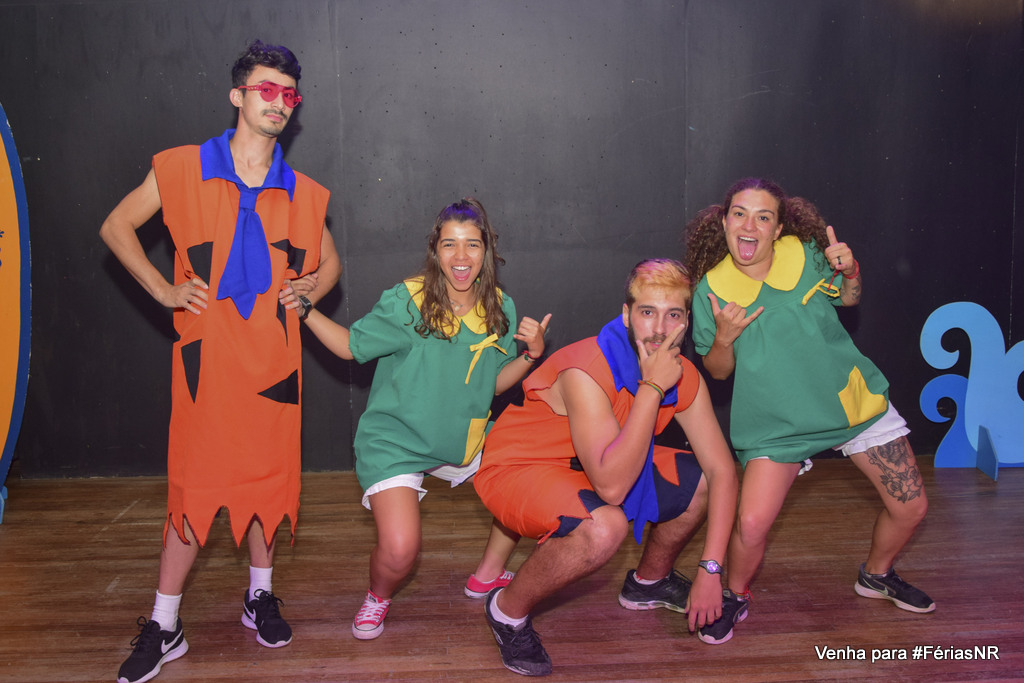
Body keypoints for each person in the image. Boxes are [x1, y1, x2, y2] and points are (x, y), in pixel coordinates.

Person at [100, 40, 340, 683]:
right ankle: (165, 621)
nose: (279, 103)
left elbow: (330, 261)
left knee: (267, 482)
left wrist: (307, 290)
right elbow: (117, 226)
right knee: (194, 486)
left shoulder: (304, 192)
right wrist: (163, 290)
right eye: (266, 90)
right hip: (206, 358)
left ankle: (260, 595)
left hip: (275, 359)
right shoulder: (182, 167)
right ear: (238, 95)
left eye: (289, 94)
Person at [684, 177, 933, 645]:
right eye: (740, 214)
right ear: (724, 221)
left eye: (763, 217)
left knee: (911, 507)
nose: (750, 225)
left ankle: (877, 574)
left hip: (848, 403)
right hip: (778, 423)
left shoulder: (807, 254)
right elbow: (717, 371)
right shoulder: (711, 290)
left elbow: (850, 299)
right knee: (751, 524)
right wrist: (724, 337)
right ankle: (736, 594)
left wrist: (851, 270)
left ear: (778, 228)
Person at [298, 197, 550, 641]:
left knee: (522, 486)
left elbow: (493, 385)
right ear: (435, 250)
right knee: (400, 551)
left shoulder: (500, 308)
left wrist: (531, 356)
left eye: (472, 244)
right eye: (449, 244)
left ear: (487, 251)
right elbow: (349, 347)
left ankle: (487, 574)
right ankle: (378, 594)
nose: (461, 256)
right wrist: (305, 310)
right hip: (396, 441)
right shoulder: (408, 301)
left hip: (461, 438)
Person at [474, 258, 738, 676]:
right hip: (519, 467)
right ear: (626, 315)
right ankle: (506, 611)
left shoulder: (683, 374)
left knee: (702, 480)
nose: (660, 328)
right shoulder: (587, 367)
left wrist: (711, 569)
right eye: (647, 312)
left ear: (687, 321)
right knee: (603, 526)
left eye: (673, 315)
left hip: (595, 464)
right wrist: (653, 386)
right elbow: (612, 488)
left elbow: (723, 470)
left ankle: (649, 583)